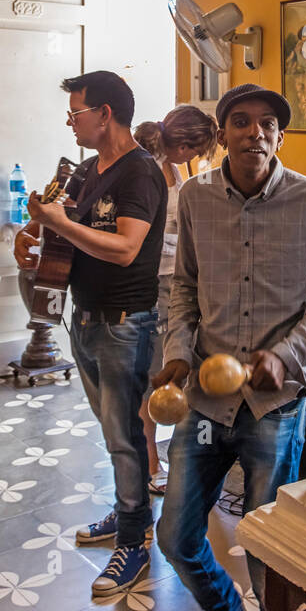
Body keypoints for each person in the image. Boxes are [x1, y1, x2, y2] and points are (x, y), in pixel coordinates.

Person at [153, 83, 306, 611]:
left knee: (266, 543)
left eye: (266, 124)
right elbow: (184, 286)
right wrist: (178, 354)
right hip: (205, 398)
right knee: (176, 535)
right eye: (240, 121)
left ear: (280, 136)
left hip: (275, 403)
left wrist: (287, 356)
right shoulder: (194, 198)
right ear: (223, 133)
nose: (254, 132)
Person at [14, 71, 167, 596]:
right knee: (113, 433)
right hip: (85, 317)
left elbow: (124, 249)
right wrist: (31, 233)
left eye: (76, 112)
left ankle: (135, 541)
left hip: (125, 324)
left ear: (105, 114)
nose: (70, 122)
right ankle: (127, 509)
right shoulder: (85, 169)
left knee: (126, 436)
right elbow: (57, 220)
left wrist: (55, 223)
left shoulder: (140, 173)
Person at [135, 106, 219, 495]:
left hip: (176, 280)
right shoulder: (146, 168)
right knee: (154, 375)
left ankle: (172, 457)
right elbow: (143, 235)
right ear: (184, 145)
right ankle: (150, 464)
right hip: (153, 283)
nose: (195, 159)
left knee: (176, 367)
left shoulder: (175, 167)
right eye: (196, 151)